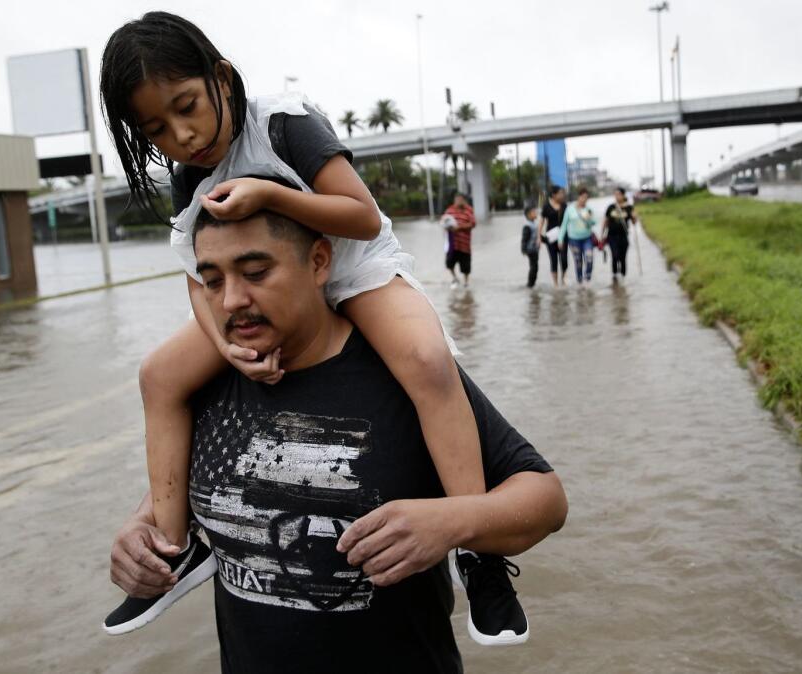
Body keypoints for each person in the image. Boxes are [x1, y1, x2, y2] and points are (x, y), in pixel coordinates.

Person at [97, 11, 521, 640]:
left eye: (187, 106)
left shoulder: (283, 124)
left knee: (428, 360)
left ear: (222, 76)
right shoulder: (191, 175)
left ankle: (477, 550)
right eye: (156, 128)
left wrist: (270, 197)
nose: (182, 136)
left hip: (355, 268)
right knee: (159, 374)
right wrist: (224, 346)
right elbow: (196, 273)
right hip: (273, 292)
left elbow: (361, 218)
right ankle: (172, 539)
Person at [109, 204, 568, 671]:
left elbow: (546, 499)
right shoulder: (203, 386)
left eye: (255, 272)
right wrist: (141, 531)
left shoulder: (407, 374)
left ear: (319, 262)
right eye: (212, 280)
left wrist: (452, 521)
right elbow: (194, 480)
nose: (231, 300)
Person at [561, 188, 598, 286]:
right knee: (578, 262)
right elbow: (564, 225)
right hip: (574, 240)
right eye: (583, 197)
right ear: (579, 197)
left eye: (586, 198)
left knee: (589, 259)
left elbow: (594, 222)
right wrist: (560, 239)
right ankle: (580, 282)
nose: (584, 199)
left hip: (587, 238)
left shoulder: (589, 210)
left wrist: (588, 219)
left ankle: (587, 279)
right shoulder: (570, 209)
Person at [602, 187, 637, 284]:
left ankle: (623, 277)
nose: (617, 196)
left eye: (619, 194)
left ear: (623, 195)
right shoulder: (611, 207)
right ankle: (615, 277)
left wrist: (634, 217)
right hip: (612, 236)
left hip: (623, 236)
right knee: (614, 255)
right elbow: (605, 221)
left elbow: (634, 222)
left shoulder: (629, 208)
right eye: (615, 194)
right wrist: (602, 235)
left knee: (622, 257)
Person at [442, 192, 475, 287]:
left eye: (461, 199)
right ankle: (454, 278)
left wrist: (459, 227)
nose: (459, 201)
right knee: (449, 262)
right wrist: (448, 227)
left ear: (464, 201)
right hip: (452, 244)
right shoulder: (449, 211)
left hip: (464, 245)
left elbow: (473, 223)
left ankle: (466, 281)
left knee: (466, 265)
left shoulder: (469, 210)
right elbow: (443, 222)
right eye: (457, 199)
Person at [537, 185, 568, 286]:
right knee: (553, 260)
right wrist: (538, 236)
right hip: (551, 237)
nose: (562, 195)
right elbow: (541, 222)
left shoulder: (564, 205)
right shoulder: (546, 206)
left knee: (564, 259)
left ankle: (563, 278)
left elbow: (569, 221)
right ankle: (555, 284)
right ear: (554, 195)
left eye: (562, 193)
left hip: (563, 236)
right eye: (560, 193)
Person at [519, 205, 540, 287]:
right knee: (534, 267)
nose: (536, 213)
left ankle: (532, 284)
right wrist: (523, 250)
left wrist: (547, 240)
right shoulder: (527, 226)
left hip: (535, 250)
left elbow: (538, 236)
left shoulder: (533, 224)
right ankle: (530, 284)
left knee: (535, 267)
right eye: (534, 212)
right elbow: (524, 239)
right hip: (530, 250)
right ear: (528, 215)